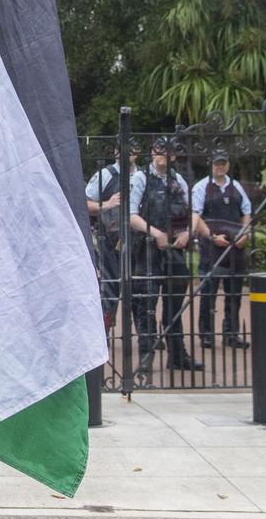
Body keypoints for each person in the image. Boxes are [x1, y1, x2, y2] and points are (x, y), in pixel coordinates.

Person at [129, 138, 204, 377]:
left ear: (172, 156)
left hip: (175, 250)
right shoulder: (141, 178)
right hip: (149, 250)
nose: (159, 155)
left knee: (174, 305)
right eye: (156, 151)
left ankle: (178, 356)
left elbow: (193, 211)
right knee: (147, 306)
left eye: (165, 152)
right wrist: (155, 233)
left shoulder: (177, 179)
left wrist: (187, 233)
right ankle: (146, 358)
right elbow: (130, 215)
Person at [192, 150, 252, 349]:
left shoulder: (236, 187)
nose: (220, 166)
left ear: (227, 165)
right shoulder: (201, 187)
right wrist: (210, 236)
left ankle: (232, 333)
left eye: (223, 163)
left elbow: (247, 211)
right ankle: (206, 334)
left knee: (234, 294)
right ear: (212, 164)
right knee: (208, 293)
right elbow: (195, 215)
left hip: (235, 249)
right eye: (217, 163)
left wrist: (245, 233)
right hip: (212, 249)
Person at [85, 144, 138, 331]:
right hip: (109, 240)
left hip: (138, 242)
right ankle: (103, 333)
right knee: (110, 289)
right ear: (115, 152)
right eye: (122, 147)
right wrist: (106, 204)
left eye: (132, 148)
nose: (127, 151)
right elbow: (84, 203)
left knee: (140, 289)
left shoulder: (141, 176)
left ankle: (146, 339)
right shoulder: (105, 175)